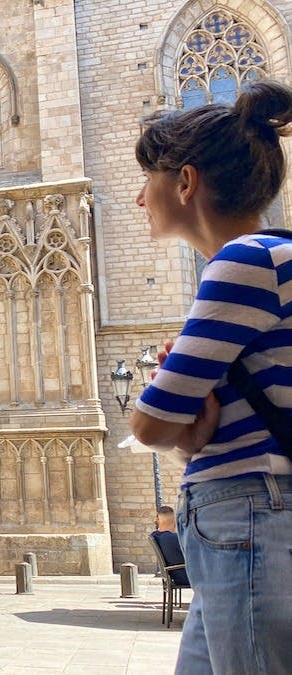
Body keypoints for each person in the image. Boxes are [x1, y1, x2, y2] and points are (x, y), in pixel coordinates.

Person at [130, 80, 292, 674]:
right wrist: (186, 433)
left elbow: (149, 423)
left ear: (186, 182)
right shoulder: (274, 260)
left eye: (148, 180)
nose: (140, 200)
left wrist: (170, 414)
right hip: (240, 515)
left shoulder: (243, 263)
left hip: (249, 517)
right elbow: (190, 434)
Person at [150, 506, 188, 587]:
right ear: (174, 521)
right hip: (186, 576)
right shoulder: (174, 538)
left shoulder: (157, 536)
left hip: (176, 575)